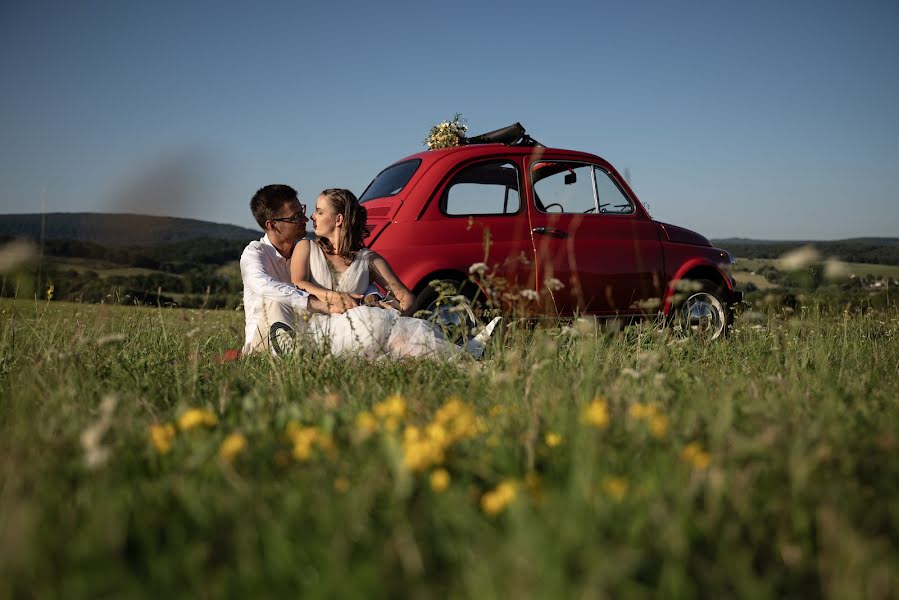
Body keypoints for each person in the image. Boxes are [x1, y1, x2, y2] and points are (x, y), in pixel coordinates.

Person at [240, 184, 359, 354]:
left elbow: (341, 276)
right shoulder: (254, 253)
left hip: (310, 333)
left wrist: (368, 296)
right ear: (272, 225)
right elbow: (263, 286)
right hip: (263, 343)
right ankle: (290, 356)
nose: (305, 219)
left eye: (302, 211)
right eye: (296, 217)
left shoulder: (308, 251)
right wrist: (320, 304)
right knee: (276, 301)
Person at [290, 188, 414, 313]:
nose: (312, 216)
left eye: (319, 212)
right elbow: (298, 283)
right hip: (316, 327)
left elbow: (407, 298)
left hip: (359, 327)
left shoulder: (368, 259)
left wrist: (387, 311)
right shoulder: (306, 247)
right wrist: (335, 297)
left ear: (338, 219)